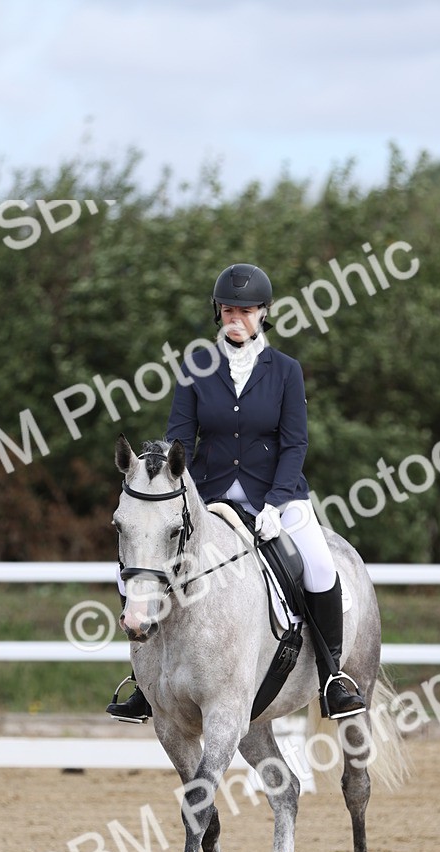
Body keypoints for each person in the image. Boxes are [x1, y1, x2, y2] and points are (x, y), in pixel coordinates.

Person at [107, 262, 367, 722]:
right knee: (147, 563)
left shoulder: (285, 371)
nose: (237, 319)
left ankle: (332, 678)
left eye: (246, 311)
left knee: (320, 567)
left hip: (278, 496)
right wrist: (172, 489)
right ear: (218, 312)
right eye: (229, 310)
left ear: (263, 313)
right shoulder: (196, 368)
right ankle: (147, 684)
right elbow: (179, 440)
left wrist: (276, 502)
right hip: (209, 498)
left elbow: (295, 443)